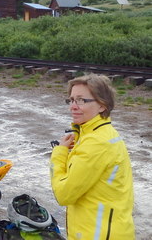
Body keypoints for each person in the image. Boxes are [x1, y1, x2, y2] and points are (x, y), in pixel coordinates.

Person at [50, 74, 135, 240]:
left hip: (98, 234)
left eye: (81, 100)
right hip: (106, 228)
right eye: (71, 100)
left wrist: (59, 154)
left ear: (102, 105)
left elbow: (64, 194)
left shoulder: (96, 143)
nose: (73, 106)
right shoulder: (99, 134)